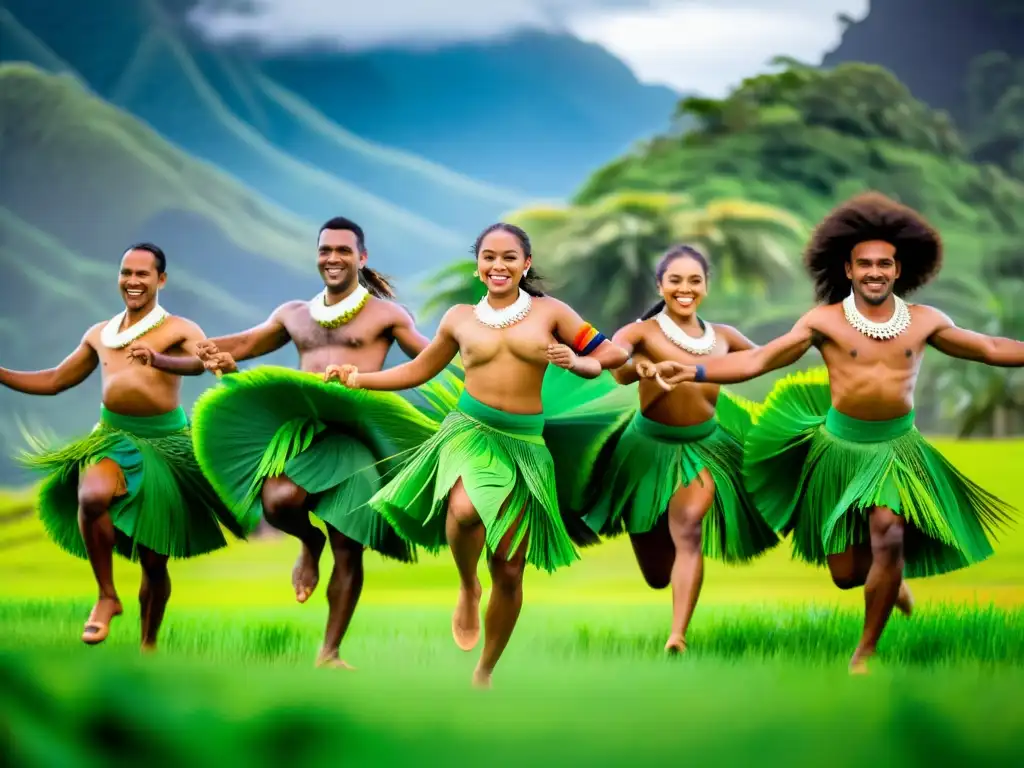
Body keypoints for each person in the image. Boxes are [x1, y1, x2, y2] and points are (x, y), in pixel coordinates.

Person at [662, 192, 1022, 673]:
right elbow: (758, 359)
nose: (875, 272)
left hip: (896, 449)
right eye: (864, 264)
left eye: (885, 264)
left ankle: (865, 652)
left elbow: (992, 347)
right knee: (847, 574)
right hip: (838, 449)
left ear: (899, 270)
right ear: (848, 270)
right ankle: (888, 581)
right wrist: (696, 372)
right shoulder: (824, 321)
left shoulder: (925, 322)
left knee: (888, 533)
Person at [328, 222, 630, 687]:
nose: (499, 265)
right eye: (489, 256)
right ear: (478, 265)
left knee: (509, 568)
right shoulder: (459, 318)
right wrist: (358, 378)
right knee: (466, 509)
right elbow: (416, 370)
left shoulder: (551, 313)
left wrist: (584, 363)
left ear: (525, 264)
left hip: (525, 444)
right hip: (470, 432)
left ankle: (484, 670)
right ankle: (468, 584)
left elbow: (609, 353)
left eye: (510, 257)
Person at [136, 216, 441, 669]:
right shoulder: (294, 313)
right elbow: (245, 342)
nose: (333, 258)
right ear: (317, 256)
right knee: (278, 501)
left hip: (355, 435)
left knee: (347, 543)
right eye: (325, 250)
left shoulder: (387, 315)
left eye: (342, 250)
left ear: (362, 257)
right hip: (302, 431)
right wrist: (179, 352)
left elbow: (431, 353)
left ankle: (330, 651)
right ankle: (306, 543)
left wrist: (485, 349)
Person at [2, 243, 247, 650]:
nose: (132, 281)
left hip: (166, 444)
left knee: (154, 561)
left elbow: (199, 363)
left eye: (142, 274)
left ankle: (148, 644)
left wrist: (159, 359)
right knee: (93, 495)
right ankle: (107, 596)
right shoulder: (101, 333)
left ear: (160, 280)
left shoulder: (179, 329)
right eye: (126, 273)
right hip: (112, 438)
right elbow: (55, 379)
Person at [550, 245, 779, 655]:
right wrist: (637, 366)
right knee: (657, 573)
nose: (685, 289)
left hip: (704, 448)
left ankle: (677, 635)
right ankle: (666, 580)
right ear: (661, 285)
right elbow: (617, 369)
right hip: (645, 451)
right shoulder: (640, 332)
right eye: (675, 280)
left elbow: (762, 359)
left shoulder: (724, 337)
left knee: (689, 528)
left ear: (706, 286)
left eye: (695, 280)